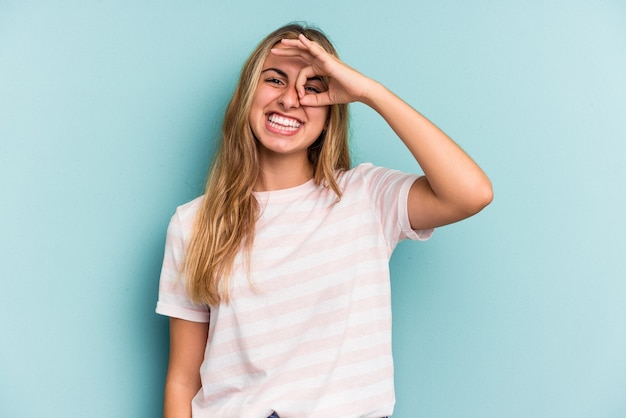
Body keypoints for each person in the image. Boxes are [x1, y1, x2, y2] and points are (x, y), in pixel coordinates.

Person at [156, 23, 493, 418]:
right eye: (274, 80)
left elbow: (472, 194)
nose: (290, 100)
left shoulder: (366, 196)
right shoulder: (193, 223)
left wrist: (370, 93)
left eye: (313, 87)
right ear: (247, 95)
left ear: (332, 108)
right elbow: (182, 379)